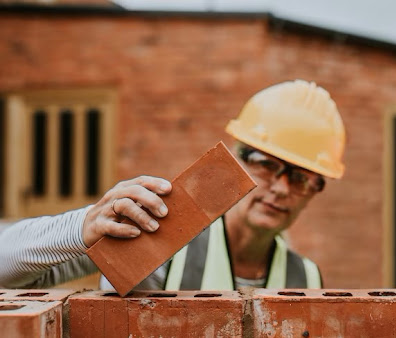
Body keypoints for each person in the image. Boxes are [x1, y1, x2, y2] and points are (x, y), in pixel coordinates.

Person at [0, 79, 346, 290]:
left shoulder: (307, 279)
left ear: (315, 191)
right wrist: (83, 226)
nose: (283, 189)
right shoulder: (163, 236)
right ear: (238, 159)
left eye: (302, 178)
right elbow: (6, 270)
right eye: (268, 165)